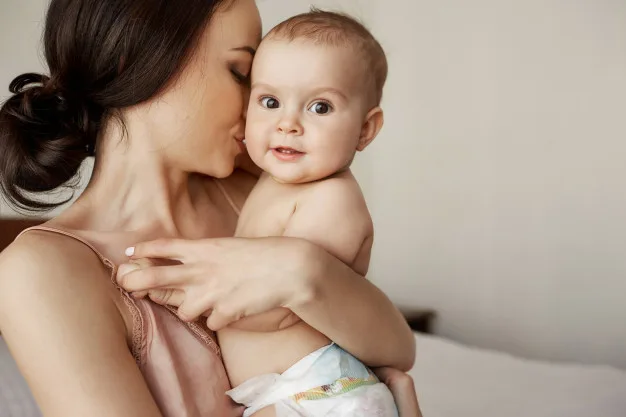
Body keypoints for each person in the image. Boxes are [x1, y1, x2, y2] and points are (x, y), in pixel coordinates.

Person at [0, 0, 421, 416]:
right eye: (243, 74)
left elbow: (399, 349)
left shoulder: (261, 192)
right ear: (138, 61)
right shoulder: (41, 269)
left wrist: (305, 271)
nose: (258, 110)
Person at [201, 9, 401, 416]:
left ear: (365, 129)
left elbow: (276, 309)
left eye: (321, 107)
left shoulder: (332, 200)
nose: (287, 123)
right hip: (289, 390)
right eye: (270, 101)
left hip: (322, 393)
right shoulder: (269, 180)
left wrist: (196, 296)